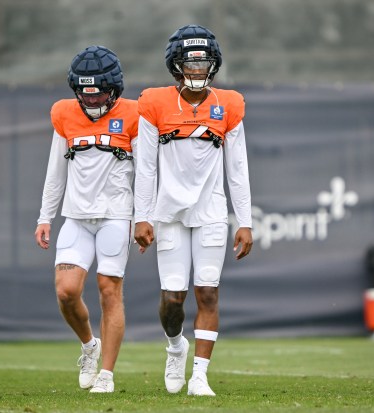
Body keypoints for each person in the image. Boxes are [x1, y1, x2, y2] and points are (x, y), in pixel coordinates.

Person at [134, 25, 253, 397]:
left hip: (211, 212)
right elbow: (146, 167)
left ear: (214, 65)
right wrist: (143, 215)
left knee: (208, 292)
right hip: (169, 213)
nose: (199, 70)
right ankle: (175, 347)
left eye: (204, 63)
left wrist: (245, 221)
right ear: (176, 65)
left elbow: (237, 167)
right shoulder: (154, 103)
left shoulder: (228, 104)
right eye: (192, 63)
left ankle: (200, 375)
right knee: (173, 298)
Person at [35, 45, 137, 393]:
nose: (91, 102)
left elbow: (149, 171)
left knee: (109, 290)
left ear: (114, 89)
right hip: (76, 216)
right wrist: (45, 216)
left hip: (115, 215)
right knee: (66, 292)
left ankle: (106, 375)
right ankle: (89, 345)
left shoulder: (135, 115)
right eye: (85, 94)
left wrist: (145, 218)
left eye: (99, 94)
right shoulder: (64, 114)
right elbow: (55, 171)